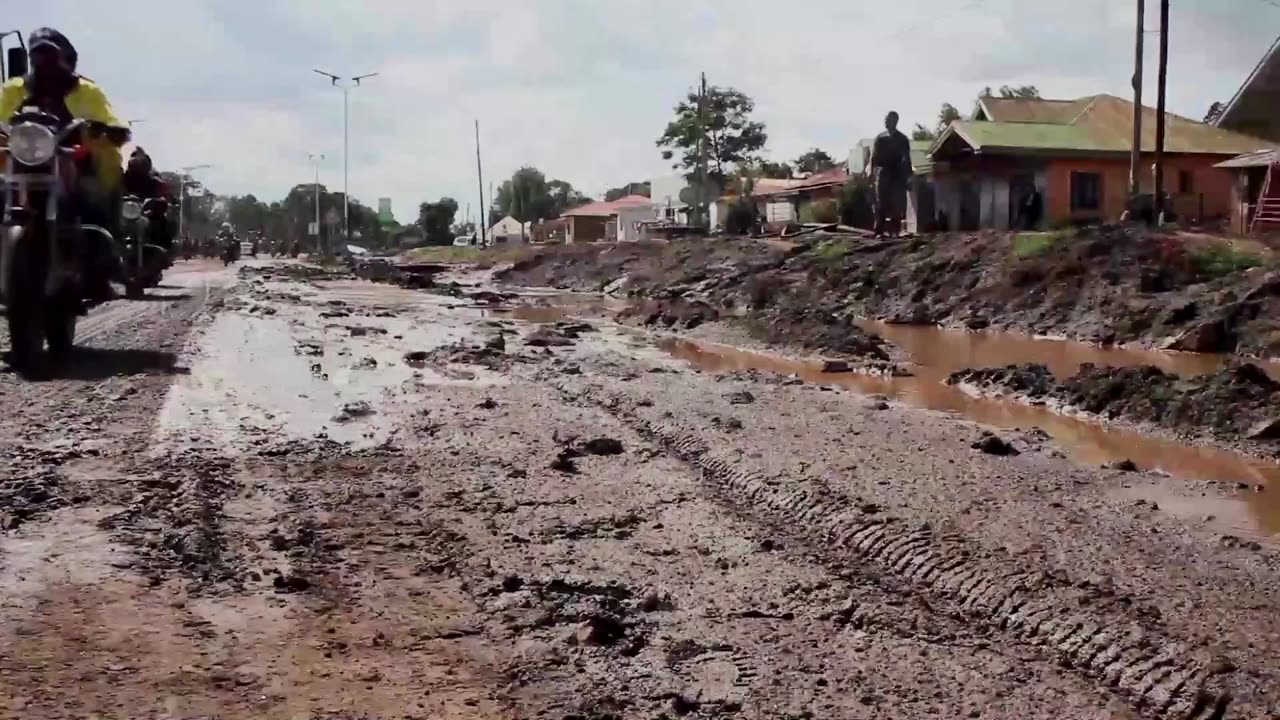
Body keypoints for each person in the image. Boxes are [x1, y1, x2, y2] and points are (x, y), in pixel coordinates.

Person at [0, 28, 129, 302]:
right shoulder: (14, 88)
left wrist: (110, 129)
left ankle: (101, 270)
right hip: (22, 163)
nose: (44, 62)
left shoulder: (87, 90)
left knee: (95, 198)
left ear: (66, 59)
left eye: (52, 55)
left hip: (73, 163)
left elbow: (112, 120)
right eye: (38, 54)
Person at [867, 110, 912, 237]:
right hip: (883, 171)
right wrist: (871, 171)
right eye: (885, 119)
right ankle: (879, 231)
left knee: (897, 203)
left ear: (895, 121)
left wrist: (908, 175)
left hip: (897, 172)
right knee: (880, 202)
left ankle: (895, 231)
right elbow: (873, 157)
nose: (886, 122)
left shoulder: (902, 139)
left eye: (888, 119)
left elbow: (907, 158)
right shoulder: (880, 138)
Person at [123, 147, 174, 251]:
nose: (137, 166)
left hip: (146, 213)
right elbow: (109, 191)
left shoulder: (155, 182)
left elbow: (165, 196)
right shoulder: (121, 179)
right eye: (134, 163)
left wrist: (160, 201)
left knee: (161, 222)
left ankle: (164, 249)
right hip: (123, 213)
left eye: (140, 164)